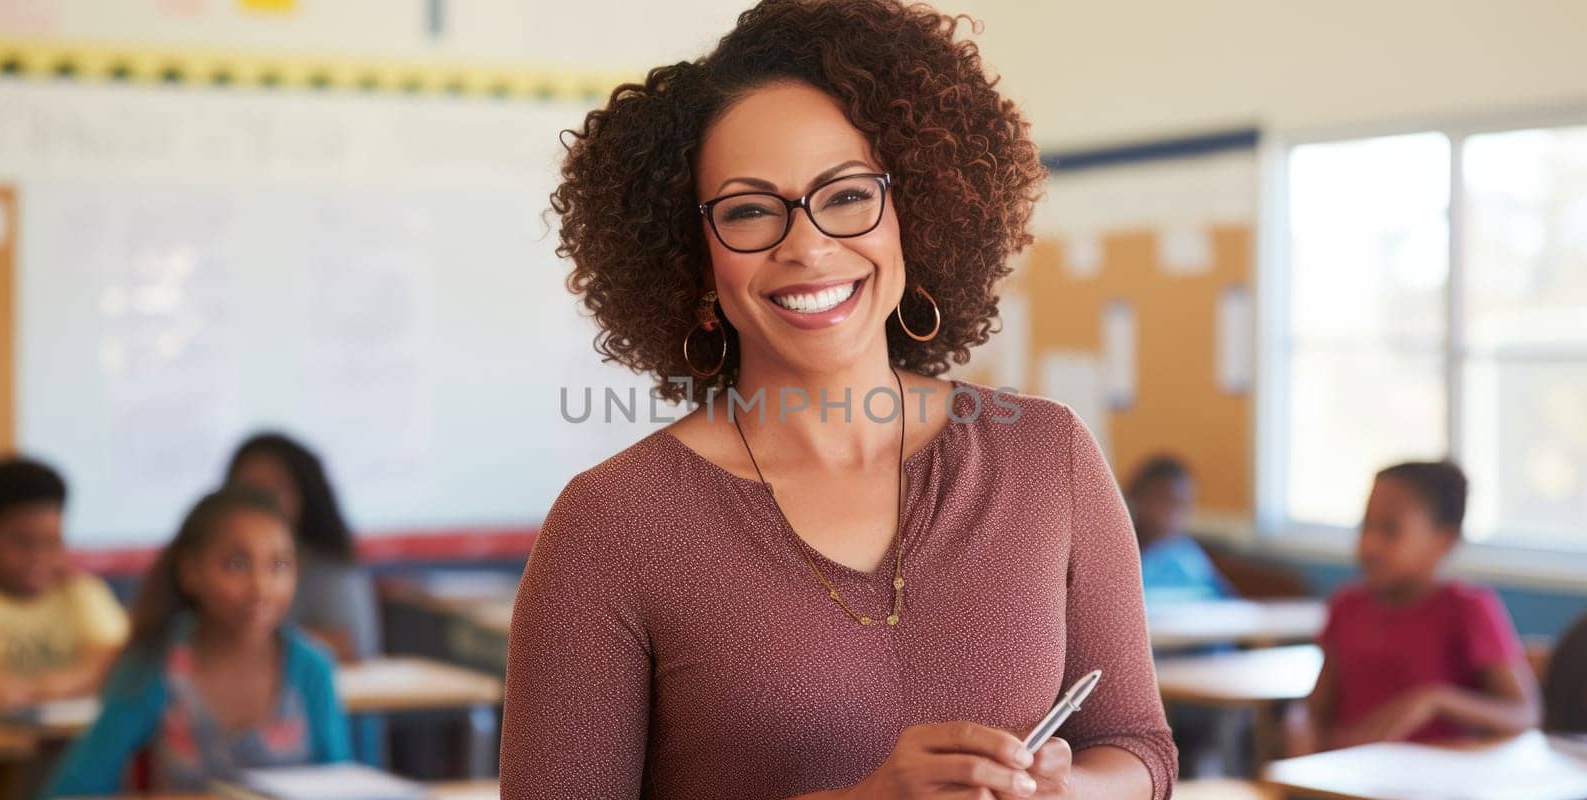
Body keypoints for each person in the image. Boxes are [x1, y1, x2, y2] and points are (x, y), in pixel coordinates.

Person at [501, 2, 1176, 799]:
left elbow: (1138, 747)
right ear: (694, 258)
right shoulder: (611, 526)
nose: (809, 246)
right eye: (749, 211)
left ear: (913, 214)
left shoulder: (1046, 456)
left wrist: (1070, 791)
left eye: (848, 194)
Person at [41, 487, 350, 796]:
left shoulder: (311, 667)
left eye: (279, 565)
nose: (261, 587)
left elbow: (342, 786)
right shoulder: (155, 662)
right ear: (190, 572)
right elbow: (74, 789)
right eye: (237, 564)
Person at [1299, 461, 1540, 751]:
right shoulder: (1346, 607)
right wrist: (1298, 727)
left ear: (1444, 541)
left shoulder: (1468, 610)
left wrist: (1435, 699)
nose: (1370, 545)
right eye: (1366, 526)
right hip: (1347, 786)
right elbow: (1315, 711)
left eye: (1390, 530)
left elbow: (1526, 714)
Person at [0, 455, 128, 710]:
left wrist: (33, 690)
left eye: (52, 542)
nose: (39, 558)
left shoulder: (81, 592)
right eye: (22, 542)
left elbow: (115, 664)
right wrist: (75, 683)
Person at [225, 432, 380, 663]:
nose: (258, 503)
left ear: (303, 496)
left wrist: (250, 640)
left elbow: (350, 646)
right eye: (246, 490)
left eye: (272, 489)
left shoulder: (328, 565)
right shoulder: (213, 558)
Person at [1124, 455, 1236, 605]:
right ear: (1135, 497)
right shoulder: (1119, 556)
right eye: (1164, 501)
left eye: (1183, 505)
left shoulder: (1189, 556)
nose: (1173, 515)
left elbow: (1229, 606)